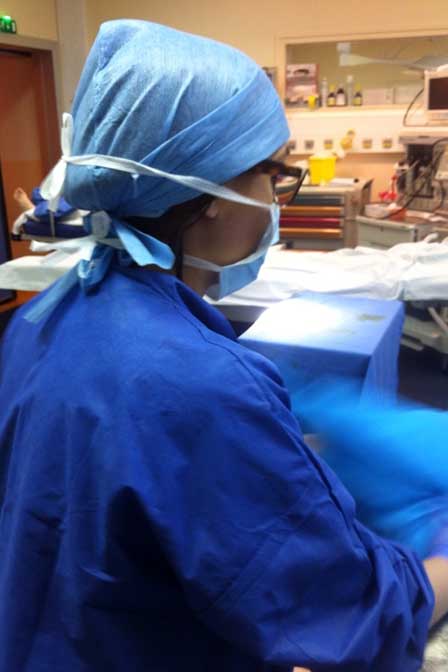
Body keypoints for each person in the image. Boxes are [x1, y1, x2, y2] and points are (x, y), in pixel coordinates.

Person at [0, 19, 447, 672]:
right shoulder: (202, 387)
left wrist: (273, 449)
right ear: (210, 194)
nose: (275, 200)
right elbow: (351, 613)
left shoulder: (41, 319)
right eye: (271, 175)